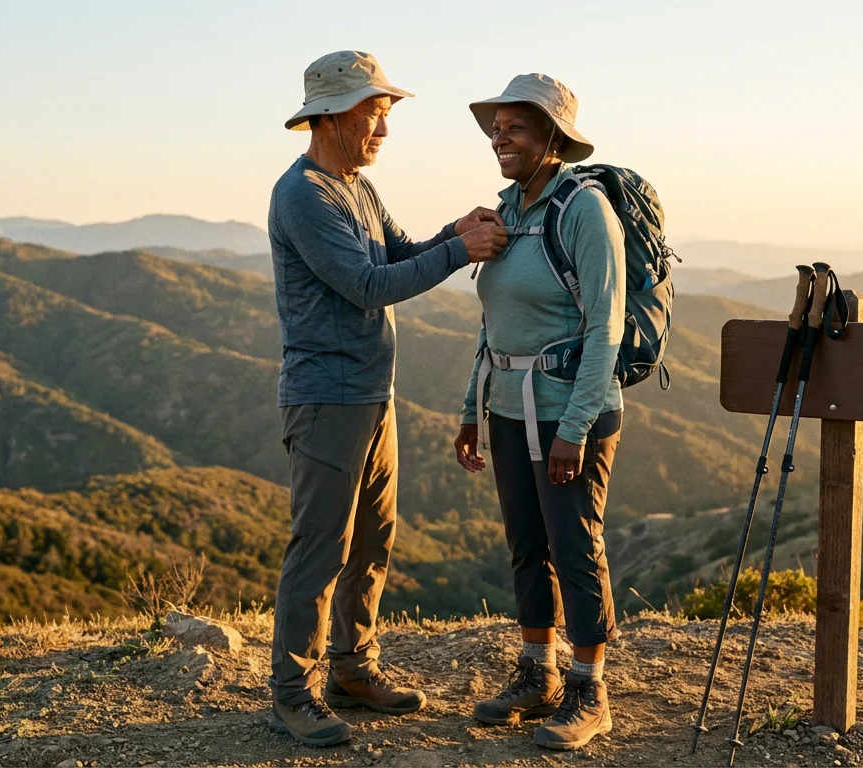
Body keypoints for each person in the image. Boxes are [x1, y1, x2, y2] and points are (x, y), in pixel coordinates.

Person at [267, 50, 507, 747]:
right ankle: (290, 693)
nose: (384, 129)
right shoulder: (304, 195)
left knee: (373, 543)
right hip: (326, 401)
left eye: (384, 116)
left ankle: (351, 669)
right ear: (332, 116)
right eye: (375, 115)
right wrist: (462, 253)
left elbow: (399, 254)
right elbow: (368, 286)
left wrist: (454, 234)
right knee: (321, 550)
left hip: (373, 396)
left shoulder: (355, 186)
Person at [455, 73, 626, 751]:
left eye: (515, 127)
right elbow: (493, 323)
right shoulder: (508, 211)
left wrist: (575, 427)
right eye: (496, 127)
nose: (501, 138)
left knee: (574, 546)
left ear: (552, 137)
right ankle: (538, 672)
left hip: (568, 411)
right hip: (507, 407)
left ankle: (590, 690)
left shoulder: (583, 209)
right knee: (527, 544)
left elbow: (605, 328)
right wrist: (473, 408)